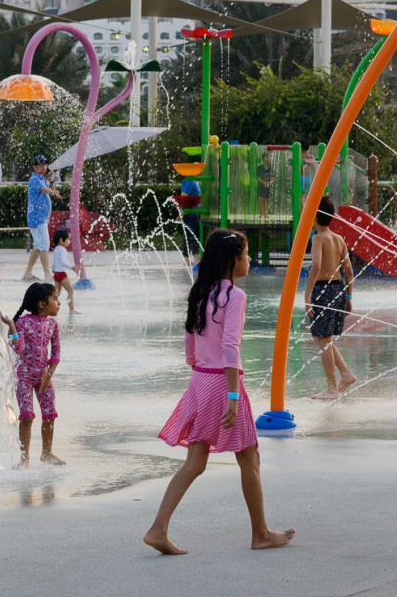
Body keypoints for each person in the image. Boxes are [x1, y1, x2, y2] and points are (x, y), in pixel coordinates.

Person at [145, 229, 294, 556]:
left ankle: (158, 528)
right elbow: (230, 346)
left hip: (201, 379)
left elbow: (189, 342)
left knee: (195, 463)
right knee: (250, 456)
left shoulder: (201, 292)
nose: (250, 260)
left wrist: (201, 374)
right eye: (246, 254)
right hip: (223, 384)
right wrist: (231, 395)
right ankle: (261, 533)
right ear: (232, 261)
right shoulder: (235, 297)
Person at [304, 197, 356, 399]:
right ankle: (346, 373)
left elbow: (316, 265)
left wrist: (307, 296)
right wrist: (349, 296)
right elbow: (349, 271)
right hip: (338, 289)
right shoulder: (339, 239)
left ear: (315, 216)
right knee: (324, 339)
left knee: (323, 340)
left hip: (322, 290)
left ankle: (332, 388)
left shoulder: (318, 239)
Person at [11, 281, 63, 466]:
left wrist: (49, 374)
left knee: (50, 414)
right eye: (55, 298)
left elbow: (56, 352)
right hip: (24, 376)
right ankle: (24, 459)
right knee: (27, 416)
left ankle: (46, 453)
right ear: (41, 304)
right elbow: (19, 348)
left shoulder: (52, 325)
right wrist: (11, 327)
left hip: (44, 376)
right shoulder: (22, 322)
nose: (59, 303)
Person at [23, 154, 54, 280]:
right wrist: (54, 191)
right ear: (35, 167)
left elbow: (49, 187)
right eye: (40, 165)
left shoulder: (42, 179)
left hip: (41, 218)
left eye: (44, 164)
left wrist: (52, 181)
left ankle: (27, 273)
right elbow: (46, 190)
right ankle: (48, 274)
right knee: (44, 245)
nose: (43, 167)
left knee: (38, 247)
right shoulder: (34, 179)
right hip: (37, 218)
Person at [50, 228, 77, 314]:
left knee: (56, 294)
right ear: (62, 240)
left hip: (56, 274)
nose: (69, 241)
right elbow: (63, 262)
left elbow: (54, 262)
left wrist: (53, 270)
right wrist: (72, 267)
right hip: (61, 274)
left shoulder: (56, 249)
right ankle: (71, 309)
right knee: (70, 290)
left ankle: (50, 307)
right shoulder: (62, 249)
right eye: (68, 239)